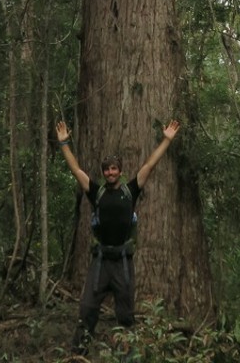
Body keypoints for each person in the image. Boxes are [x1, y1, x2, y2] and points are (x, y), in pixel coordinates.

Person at [55, 116, 179, 354]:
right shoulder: (96, 192)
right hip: (100, 262)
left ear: (120, 171)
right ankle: (77, 354)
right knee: (88, 308)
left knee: (125, 313)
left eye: (114, 169)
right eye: (107, 170)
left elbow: (150, 165)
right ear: (103, 173)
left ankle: (127, 355)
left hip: (122, 261)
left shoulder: (130, 190)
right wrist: (64, 144)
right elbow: (75, 169)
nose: (110, 173)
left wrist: (166, 140)